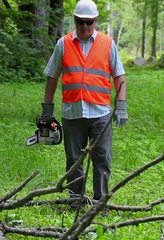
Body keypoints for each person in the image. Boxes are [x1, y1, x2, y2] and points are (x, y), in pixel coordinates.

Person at [40, 0, 128, 203]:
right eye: (80, 22)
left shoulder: (107, 43)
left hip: (101, 113)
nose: (85, 27)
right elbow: (52, 77)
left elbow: (119, 76)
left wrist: (121, 106)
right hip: (72, 113)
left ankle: (100, 202)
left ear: (96, 21)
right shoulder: (63, 43)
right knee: (73, 161)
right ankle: (75, 200)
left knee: (102, 159)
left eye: (89, 22)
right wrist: (47, 109)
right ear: (75, 20)